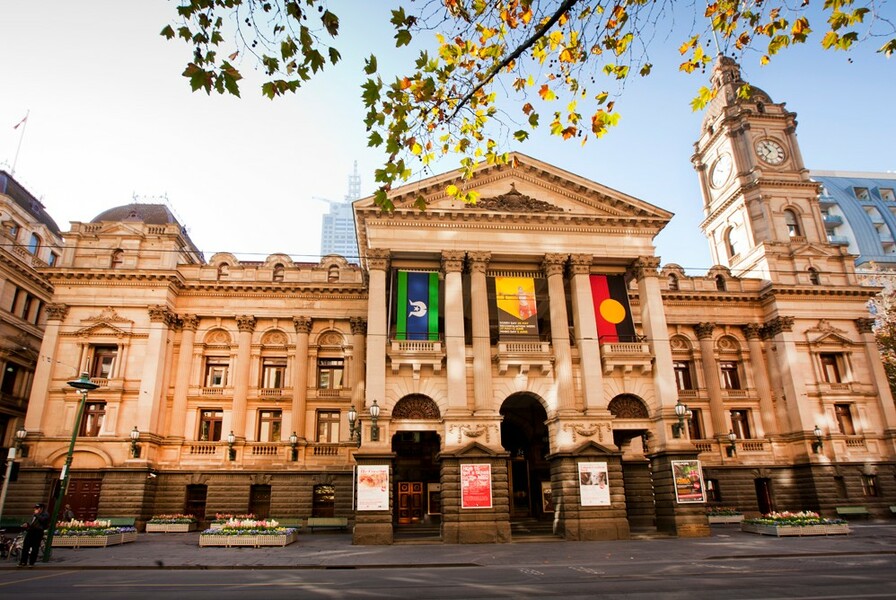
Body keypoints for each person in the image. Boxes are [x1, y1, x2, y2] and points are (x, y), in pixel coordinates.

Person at [19, 503, 50, 567]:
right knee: (26, 546)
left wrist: (37, 514)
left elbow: (43, 520)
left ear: (41, 508)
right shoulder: (34, 515)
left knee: (35, 547)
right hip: (31, 531)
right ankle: (23, 562)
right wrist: (27, 524)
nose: (35, 509)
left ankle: (31, 562)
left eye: (37, 508)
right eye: (35, 508)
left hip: (38, 532)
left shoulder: (45, 514)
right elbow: (32, 522)